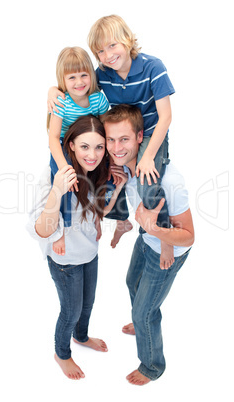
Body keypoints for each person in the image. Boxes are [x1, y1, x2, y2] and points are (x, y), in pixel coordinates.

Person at [48, 15, 175, 257]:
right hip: (118, 136)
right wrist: (52, 90)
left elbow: (166, 117)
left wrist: (147, 156)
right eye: (100, 52)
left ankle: (164, 233)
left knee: (147, 183)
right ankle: (120, 219)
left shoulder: (153, 67)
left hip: (149, 133)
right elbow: (76, 83)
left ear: (127, 40)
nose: (107, 55)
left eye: (112, 46)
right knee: (110, 173)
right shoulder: (103, 74)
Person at [27, 115, 128, 380]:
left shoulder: (96, 172)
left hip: (89, 252)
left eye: (98, 147)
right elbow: (39, 230)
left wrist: (118, 189)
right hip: (65, 260)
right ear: (70, 145)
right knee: (70, 311)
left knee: (88, 304)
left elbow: (98, 211)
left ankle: (81, 337)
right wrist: (56, 193)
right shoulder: (53, 176)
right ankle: (62, 353)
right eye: (84, 146)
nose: (93, 154)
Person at [101, 104, 194, 385]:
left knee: (145, 312)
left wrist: (157, 231)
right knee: (132, 283)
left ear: (140, 137)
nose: (117, 147)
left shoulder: (170, 180)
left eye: (125, 139)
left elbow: (189, 236)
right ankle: (143, 324)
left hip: (169, 251)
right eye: (111, 139)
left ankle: (152, 365)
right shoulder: (127, 169)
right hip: (147, 239)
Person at [48, 46, 109, 256]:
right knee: (61, 183)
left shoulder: (98, 99)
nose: (79, 82)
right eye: (71, 77)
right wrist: (65, 168)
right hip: (65, 146)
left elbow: (103, 130)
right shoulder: (62, 102)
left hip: (89, 146)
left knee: (109, 173)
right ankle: (60, 230)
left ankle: (101, 217)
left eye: (84, 75)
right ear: (63, 80)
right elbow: (53, 138)